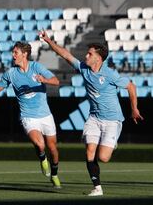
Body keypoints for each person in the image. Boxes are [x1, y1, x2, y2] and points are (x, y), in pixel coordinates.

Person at [39, 30, 143, 196]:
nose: (86, 56)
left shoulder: (110, 74)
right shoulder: (84, 69)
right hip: (94, 118)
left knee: (103, 157)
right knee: (89, 152)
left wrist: (134, 109)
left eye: (89, 54)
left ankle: (111, 142)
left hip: (112, 120)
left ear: (98, 58)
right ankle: (97, 188)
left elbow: (131, 86)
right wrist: (48, 41)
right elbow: (65, 55)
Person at [0, 41, 62, 188]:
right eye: (13, 52)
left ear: (24, 54)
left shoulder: (36, 67)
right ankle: (42, 158)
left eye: (16, 52)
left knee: (52, 148)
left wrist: (44, 80)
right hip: (28, 116)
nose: (13, 55)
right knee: (39, 144)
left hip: (45, 115)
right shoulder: (11, 73)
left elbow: (56, 81)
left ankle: (54, 174)